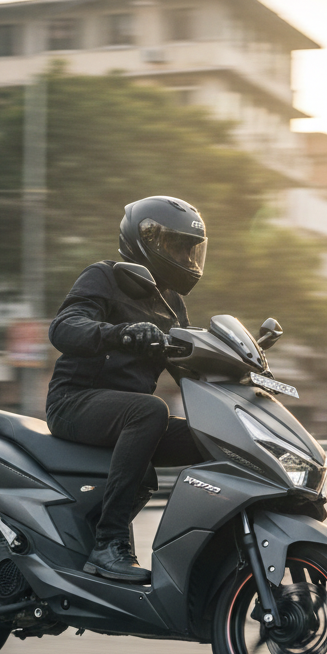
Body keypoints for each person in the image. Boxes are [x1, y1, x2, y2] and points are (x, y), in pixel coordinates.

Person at [46, 196, 207, 584]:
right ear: (146, 241)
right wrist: (117, 334)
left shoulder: (173, 303)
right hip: (74, 402)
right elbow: (63, 328)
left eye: (191, 248)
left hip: (125, 418)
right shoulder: (105, 276)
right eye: (177, 246)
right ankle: (107, 543)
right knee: (150, 410)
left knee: (211, 437)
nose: (186, 257)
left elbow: (188, 367)